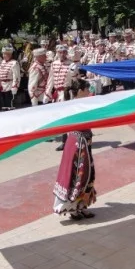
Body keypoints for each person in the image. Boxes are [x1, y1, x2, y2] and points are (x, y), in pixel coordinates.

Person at [53, 78, 97, 220]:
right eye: (86, 89)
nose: (88, 92)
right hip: (77, 142)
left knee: (87, 174)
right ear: (80, 91)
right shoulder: (73, 105)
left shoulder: (83, 103)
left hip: (84, 141)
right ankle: (72, 208)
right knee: (77, 175)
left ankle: (82, 206)